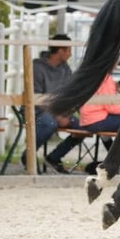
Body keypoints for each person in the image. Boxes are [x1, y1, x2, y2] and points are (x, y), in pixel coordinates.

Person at [21, 33, 81, 173]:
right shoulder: (37, 67)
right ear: (60, 51)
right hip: (37, 110)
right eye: (68, 50)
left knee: (83, 127)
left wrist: (67, 113)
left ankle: (54, 157)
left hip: (58, 110)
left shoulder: (65, 68)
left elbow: (69, 93)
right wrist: (57, 115)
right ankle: (27, 156)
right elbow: (35, 98)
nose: (70, 54)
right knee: (50, 123)